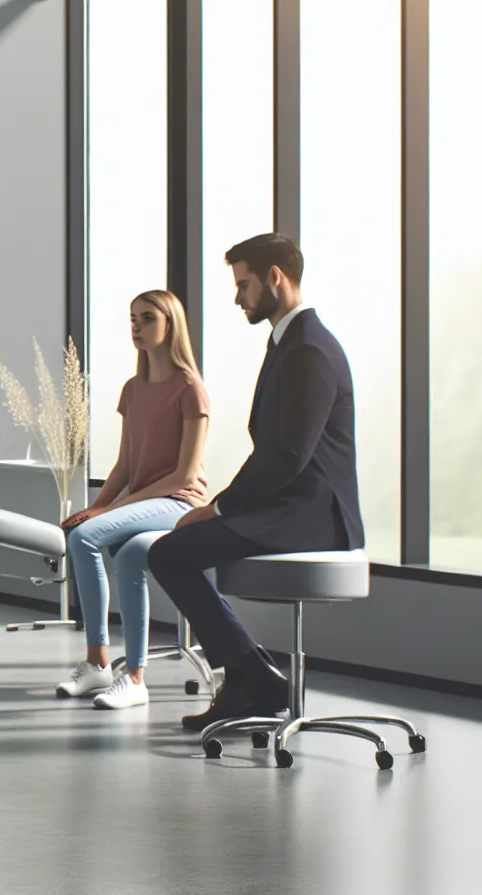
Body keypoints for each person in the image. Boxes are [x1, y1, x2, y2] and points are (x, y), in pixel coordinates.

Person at [147, 233, 364, 732]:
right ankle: (250, 672)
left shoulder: (308, 349)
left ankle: (250, 674)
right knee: (174, 547)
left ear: (275, 278)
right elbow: (277, 453)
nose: (237, 297)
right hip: (294, 507)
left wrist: (220, 508)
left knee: (170, 551)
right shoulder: (291, 343)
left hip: (316, 517)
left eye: (243, 284)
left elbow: (287, 455)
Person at [56, 290, 211, 710]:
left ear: (170, 325)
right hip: (142, 503)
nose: (136, 327)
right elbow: (125, 464)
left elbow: (183, 475)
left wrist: (110, 510)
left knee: (84, 539)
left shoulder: (190, 390)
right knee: (126, 555)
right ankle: (135, 679)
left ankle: (98, 662)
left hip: (180, 502)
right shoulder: (133, 389)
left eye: (146, 318)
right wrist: (98, 503)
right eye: (132, 319)